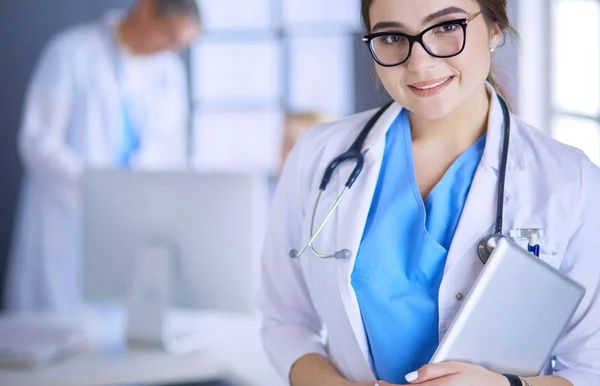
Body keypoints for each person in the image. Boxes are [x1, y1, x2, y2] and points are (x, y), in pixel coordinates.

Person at [256, 0, 600, 385]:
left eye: (447, 27)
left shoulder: (572, 182)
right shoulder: (319, 156)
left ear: (494, 30)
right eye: (391, 36)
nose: (418, 62)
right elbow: (284, 320)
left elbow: (589, 370)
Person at [4, 0, 201, 312]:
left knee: (117, 335)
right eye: (170, 36)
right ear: (147, 9)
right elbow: (38, 140)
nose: (172, 50)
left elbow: (170, 150)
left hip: (129, 223)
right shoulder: (71, 53)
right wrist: (96, 188)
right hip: (67, 216)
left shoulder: (168, 71)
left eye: (181, 45)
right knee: (55, 328)